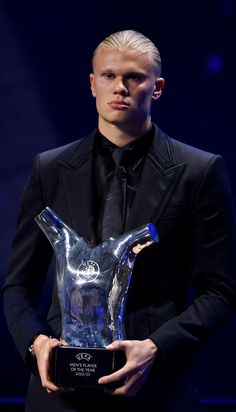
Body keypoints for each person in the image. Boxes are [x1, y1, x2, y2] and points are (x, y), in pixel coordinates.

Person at [2, 29, 236, 412]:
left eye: (134, 77)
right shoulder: (49, 169)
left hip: (156, 392)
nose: (120, 87)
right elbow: (17, 286)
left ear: (156, 87)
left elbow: (221, 290)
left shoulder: (199, 171)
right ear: (92, 84)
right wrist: (37, 344)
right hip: (59, 394)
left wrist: (156, 348)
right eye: (109, 76)